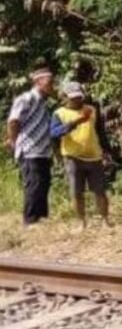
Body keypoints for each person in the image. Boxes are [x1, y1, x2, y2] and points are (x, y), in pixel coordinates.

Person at [50, 82, 113, 229]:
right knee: (77, 192)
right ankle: (81, 222)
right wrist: (76, 122)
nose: (77, 100)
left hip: (94, 156)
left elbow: (100, 132)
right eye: (73, 98)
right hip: (73, 157)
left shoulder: (91, 110)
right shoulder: (59, 113)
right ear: (65, 97)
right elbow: (54, 133)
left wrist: (106, 150)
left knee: (100, 190)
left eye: (79, 97)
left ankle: (105, 220)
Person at [5, 65, 56, 225]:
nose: (52, 85)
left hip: (43, 151)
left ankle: (41, 218)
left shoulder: (43, 102)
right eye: (50, 82)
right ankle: (31, 220)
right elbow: (14, 121)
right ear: (39, 81)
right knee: (34, 184)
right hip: (29, 150)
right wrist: (14, 141)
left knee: (43, 184)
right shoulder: (26, 98)